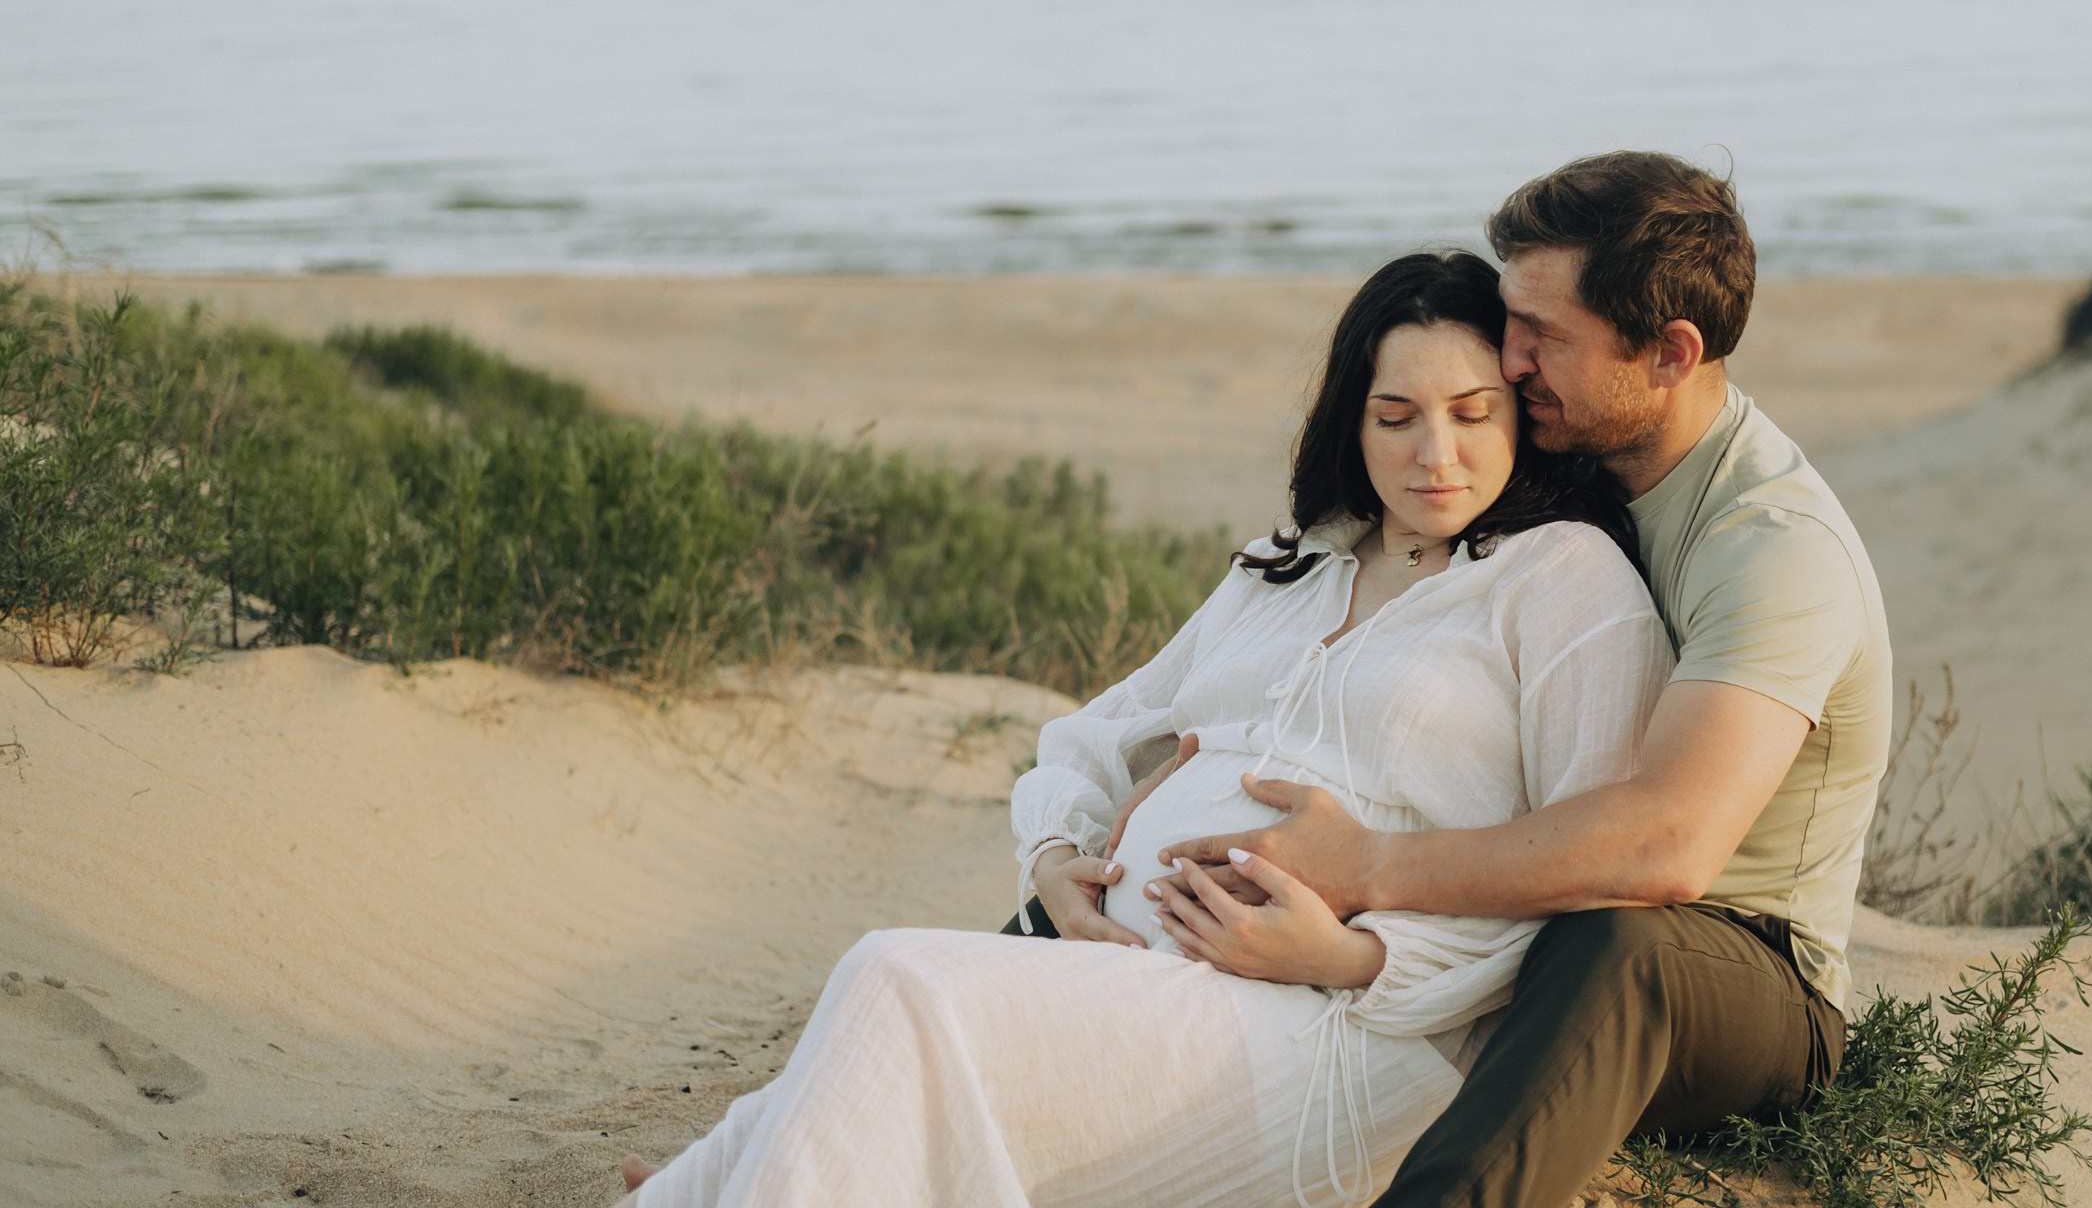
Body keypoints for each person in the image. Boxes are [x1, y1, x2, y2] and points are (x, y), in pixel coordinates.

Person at [615, 249, 1675, 1207]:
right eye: (1395, 417)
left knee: (892, 978)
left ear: (1520, 411)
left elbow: (1578, 865)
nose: (1434, 453)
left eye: (1472, 413)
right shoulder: (1291, 563)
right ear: (1353, 426)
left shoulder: (1564, 581)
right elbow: (1103, 729)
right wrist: (1056, 858)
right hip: (1132, 971)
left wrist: (1357, 958)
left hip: (1330, 1028)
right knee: (875, 1044)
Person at [1146, 150, 1893, 1207]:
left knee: (1616, 942)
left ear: (1670, 353)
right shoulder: (1570, 453)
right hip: (1523, 921)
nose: (1512, 358)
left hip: (1734, 975)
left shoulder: (1770, 548)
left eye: (1545, 334)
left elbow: (1667, 847)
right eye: (1511, 319)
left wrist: (1365, 867)